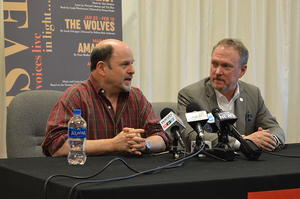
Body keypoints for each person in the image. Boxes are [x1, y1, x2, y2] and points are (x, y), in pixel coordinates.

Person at [42, 39, 170, 156]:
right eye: (125, 64)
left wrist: (144, 144)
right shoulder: (75, 97)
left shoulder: (137, 97)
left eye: (132, 63)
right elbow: (56, 145)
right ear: (102, 68)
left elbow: (161, 137)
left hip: (131, 176)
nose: (132, 70)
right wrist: (113, 144)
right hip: (88, 177)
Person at [177, 38, 285, 152]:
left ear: (242, 71)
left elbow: (275, 129)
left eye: (226, 66)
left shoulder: (253, 94)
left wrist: (270, 140)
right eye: (214, 64)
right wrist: (243, 142)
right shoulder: (190, 95)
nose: (218, 72)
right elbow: (190, 135)